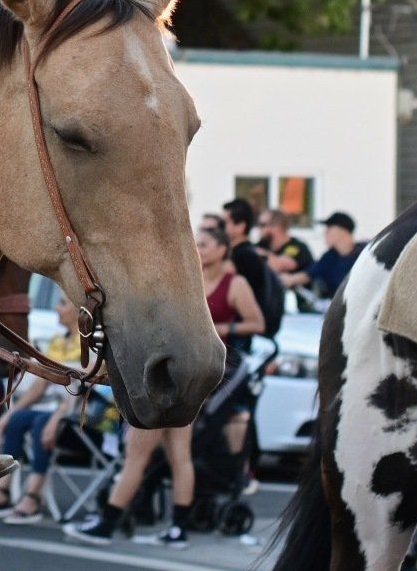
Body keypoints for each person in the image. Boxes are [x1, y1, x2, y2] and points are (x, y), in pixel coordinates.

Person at [73, 215, 263, 542]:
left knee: (139, 449)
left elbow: (257, 323)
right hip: (178, 367)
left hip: (189, 370)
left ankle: (109, 521)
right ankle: (177, 527)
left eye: (204, 244)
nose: (198, 249)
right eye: (196, 243)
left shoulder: (235, 283)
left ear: (222, 248)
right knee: (177, 453)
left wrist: (215, 331)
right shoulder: (189, 279)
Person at [222, 197, 286, 337]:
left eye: (225, 222)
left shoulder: (244, 257)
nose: (221, 228)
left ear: (240, 226)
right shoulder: (245, 253)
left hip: (245, 336)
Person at [260, 206, 315, 300]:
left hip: (298, 307)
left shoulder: (298, 247)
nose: (259, 229)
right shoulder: (261, 245)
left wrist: (257, 255)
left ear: (277, 227)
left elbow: (279, 265)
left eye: (263, 225)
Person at [308, 212, 362, 300]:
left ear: (342, 231)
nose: (325, 233)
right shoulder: (329, 257)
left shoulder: (365, 255)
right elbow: (307, 275)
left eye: (329, 228)